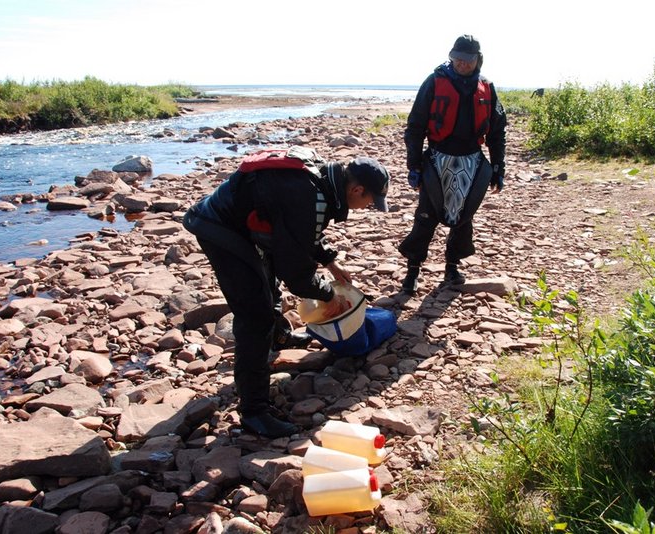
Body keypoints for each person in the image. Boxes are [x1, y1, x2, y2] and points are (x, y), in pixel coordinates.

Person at [183, 147, 390, 438]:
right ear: (356, 189)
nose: (368, 207)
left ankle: (279, 337)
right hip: (220, 227)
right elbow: (296, 273)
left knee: (268, 283)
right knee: (254, 317)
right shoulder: (307, 195)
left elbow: (301, 231)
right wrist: (330, 297)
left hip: (244, 224)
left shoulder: (322, 181)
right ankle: (254, 412)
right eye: (370, 202)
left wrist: (329, 260)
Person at [399, 34, 507, 294]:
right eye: (457, 59)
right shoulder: (434, 82)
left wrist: (497, 168)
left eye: (467, 60)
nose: (462, 64)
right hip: (438, 158)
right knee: (426, 215)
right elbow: (415, 127)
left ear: (477, 60)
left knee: (463, 217)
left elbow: (497, 132)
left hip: (472, 160)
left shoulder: (487, 87)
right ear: (451, 57)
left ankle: (452, 266)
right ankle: (412, 270)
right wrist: (413, 166)